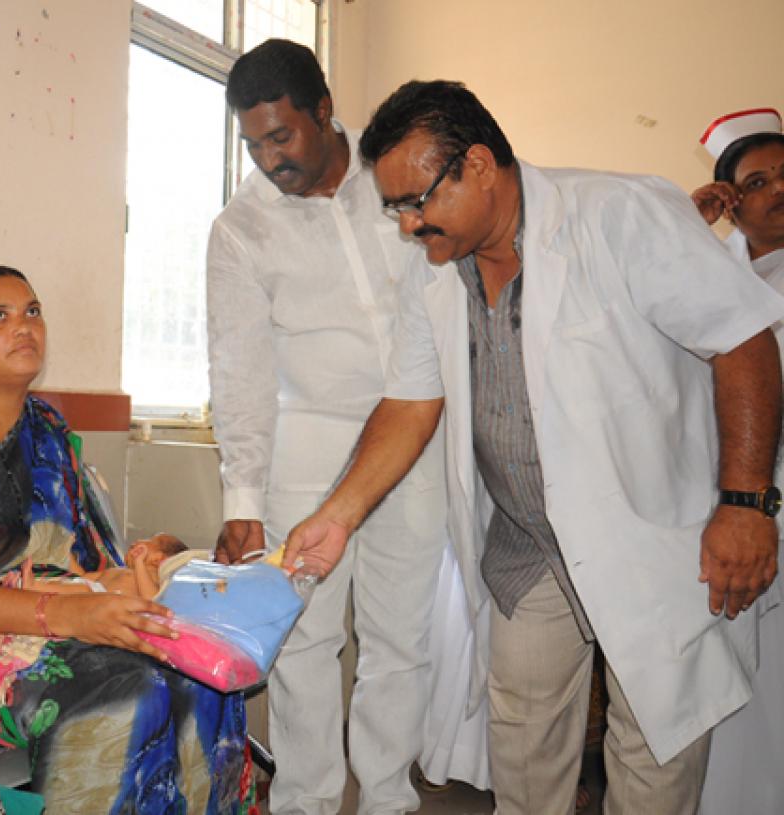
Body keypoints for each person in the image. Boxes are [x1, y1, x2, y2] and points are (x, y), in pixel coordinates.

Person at [283, 80, 784, 815]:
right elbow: (411, 401)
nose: (409, 224)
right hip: (527, 550)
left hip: (650, 542)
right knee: (521, 757)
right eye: (396, 209)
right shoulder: (438, 275)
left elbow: (743, 338)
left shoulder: (617, 215)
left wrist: (746, 502)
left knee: (653, 763)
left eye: (417, 200)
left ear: (480, 164)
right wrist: (339, 514)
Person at [206, 39, 478, 814]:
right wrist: (242, 496)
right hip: (307, 444)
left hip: (415, 434)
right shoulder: (241, 230)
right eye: (253, 143)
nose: (268, 158)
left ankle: (389, 798)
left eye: (281, 136)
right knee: (303, 642)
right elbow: (241, 368)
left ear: (325, 111)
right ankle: (306, 802)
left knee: (399, 639)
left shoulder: (398, 174)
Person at [0, 265, 254, 814]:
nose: (23, 327)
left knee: (203, 673)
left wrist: (126, 597)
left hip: (67, 610)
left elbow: (89, 561)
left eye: (32, 311)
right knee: (129, 692)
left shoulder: (47, 428)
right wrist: (63, 615)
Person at [692, 107, 784, 815]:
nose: (778, 189)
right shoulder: (707, 272)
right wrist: (691, 226)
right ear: (732, 200)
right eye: (757, 181)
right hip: (733, 499)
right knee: (737, 677)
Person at [20, 532, 189, 598]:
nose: (137, 540)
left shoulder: (154, 580)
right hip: (86, 592)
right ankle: (29, 588)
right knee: (69, 584)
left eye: (150, 540)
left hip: (103, 601)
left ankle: (32, 586)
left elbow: (151, 599)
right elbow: (83, 577)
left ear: (158, 559)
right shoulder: (117, 571)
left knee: (84, 589)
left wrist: (139, 564)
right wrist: (68, 555)